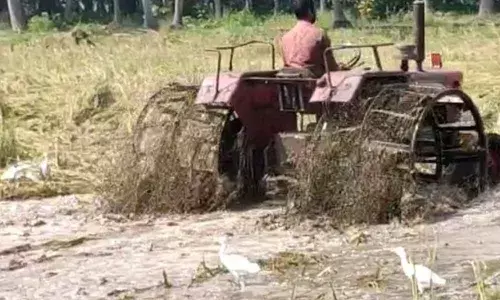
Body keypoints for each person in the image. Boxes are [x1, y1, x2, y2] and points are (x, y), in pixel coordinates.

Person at [279, 0, 340, 78]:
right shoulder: (319, 35)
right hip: (313, 83)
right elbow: (332, 68)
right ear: (310, 11)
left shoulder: (285, 38)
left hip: (289, 82)